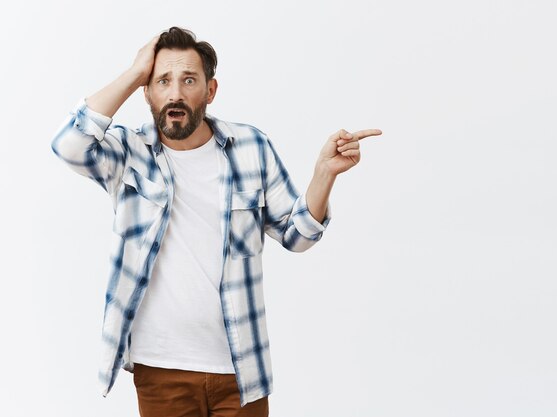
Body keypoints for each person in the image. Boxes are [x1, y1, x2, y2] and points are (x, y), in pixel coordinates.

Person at [52, 26, 381, 417]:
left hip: (240, 371)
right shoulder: (128, 152)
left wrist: (323, 175)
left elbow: (297, 236)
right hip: (161, 370)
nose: (175, 93)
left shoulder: (251, 148)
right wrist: (134, 72)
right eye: (162, 81)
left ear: (210, 91)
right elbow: (69, 144)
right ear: (147, 92)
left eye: (188, 80)